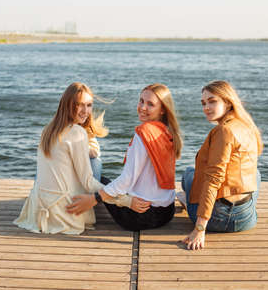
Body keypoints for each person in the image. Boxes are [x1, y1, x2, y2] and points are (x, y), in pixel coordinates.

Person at [66, 83, 183, 231]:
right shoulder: (168, 132)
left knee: (98, 180)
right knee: (108, 185)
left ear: (162, 110)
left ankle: (79, 204)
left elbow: (126, 181)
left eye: (150, 104)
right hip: (166, 212)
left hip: (140, 216)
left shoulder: (144, 133)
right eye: (141, 101)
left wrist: (93, 199)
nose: (142, 107)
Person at [14, 82, 115, 235]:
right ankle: (90, 202)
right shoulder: (77, 132)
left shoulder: (48, 129)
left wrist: (86, 148)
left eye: (89, 105)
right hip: (66, 212)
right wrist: (122, 198)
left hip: (40, 205)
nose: (85, 111)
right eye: (79, 105)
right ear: (68, 105)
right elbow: (88, 180)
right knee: (95, 162)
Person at [181, 80, 263, 250]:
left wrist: (200, 228)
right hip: (247, 218)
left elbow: (213, 179)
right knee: (255, 173)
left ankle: (186, 199)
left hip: (219, 220)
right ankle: (187, 198)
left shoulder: (223, 131)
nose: (206, 107)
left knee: (188, 174)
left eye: (212, 101)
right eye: (203, 103)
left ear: (227, 101)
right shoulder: (246, 125)